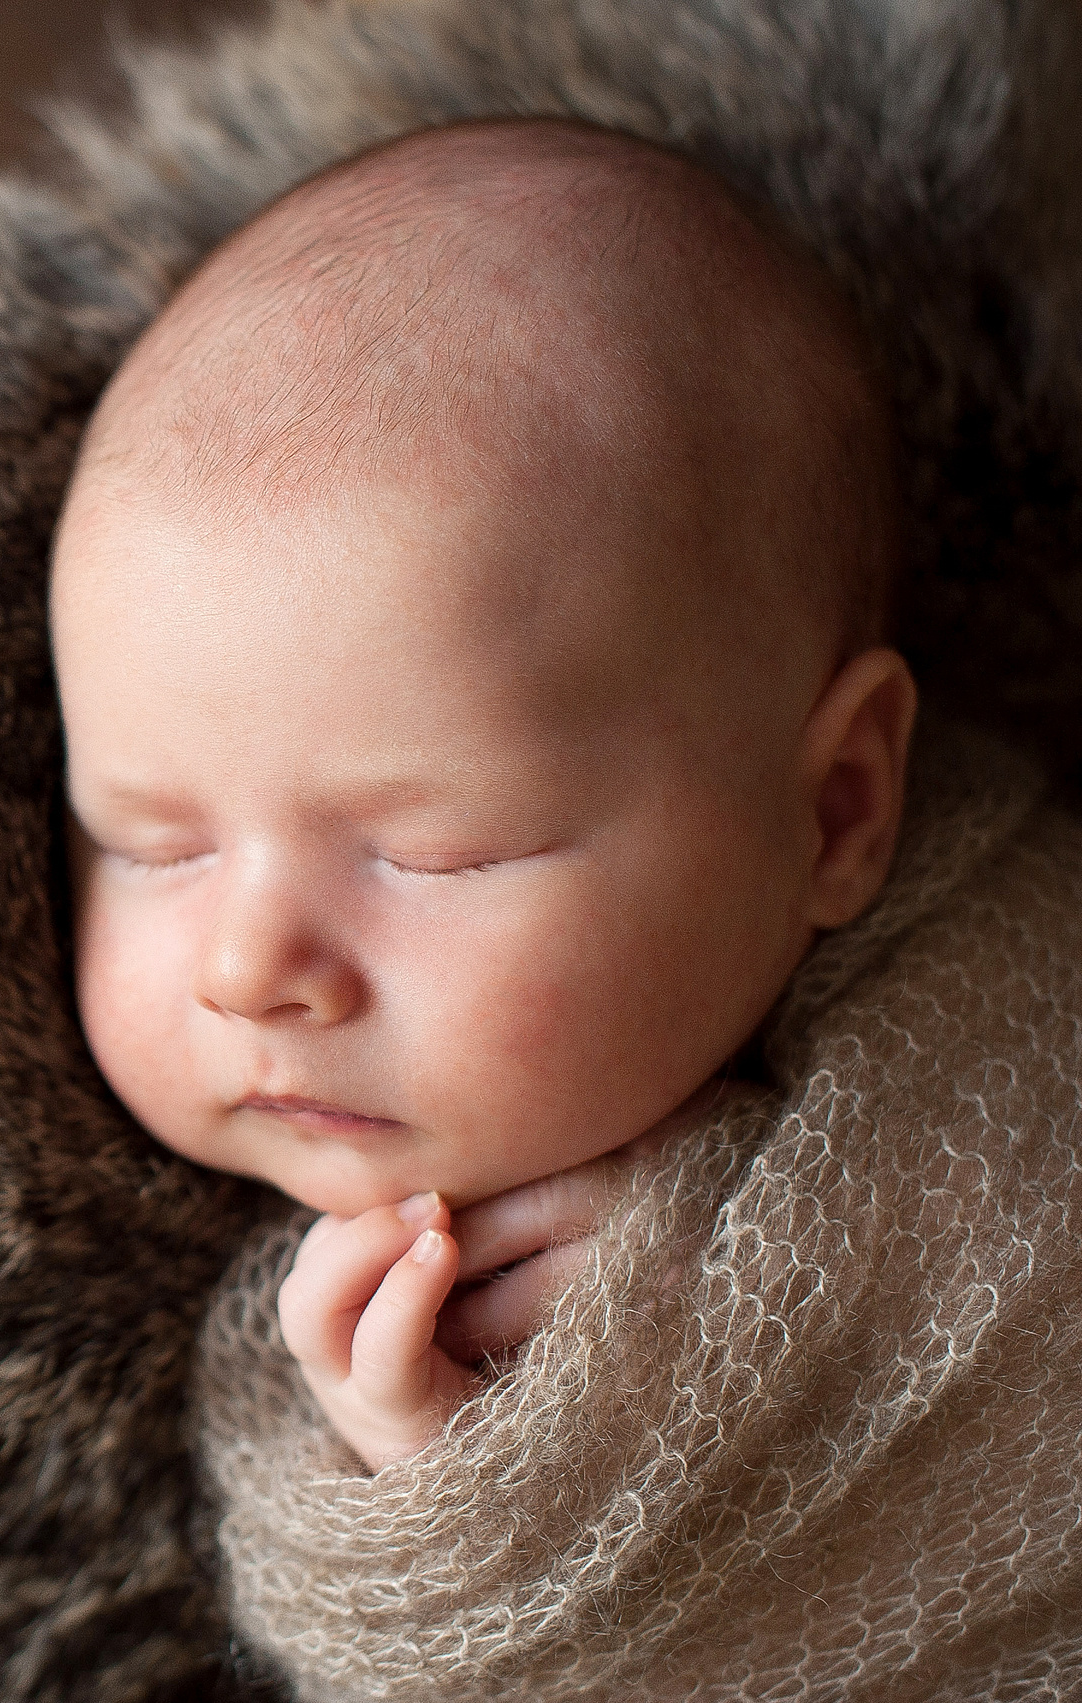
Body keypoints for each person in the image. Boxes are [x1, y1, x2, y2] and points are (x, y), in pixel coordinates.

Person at [50, 116, 918, 1471]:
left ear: (842, 810)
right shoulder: (147, 1294)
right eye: (151, 843)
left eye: (434, 854)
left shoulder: (991, 1045)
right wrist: (448, 1471)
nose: (247, 968)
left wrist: (767, 1279)